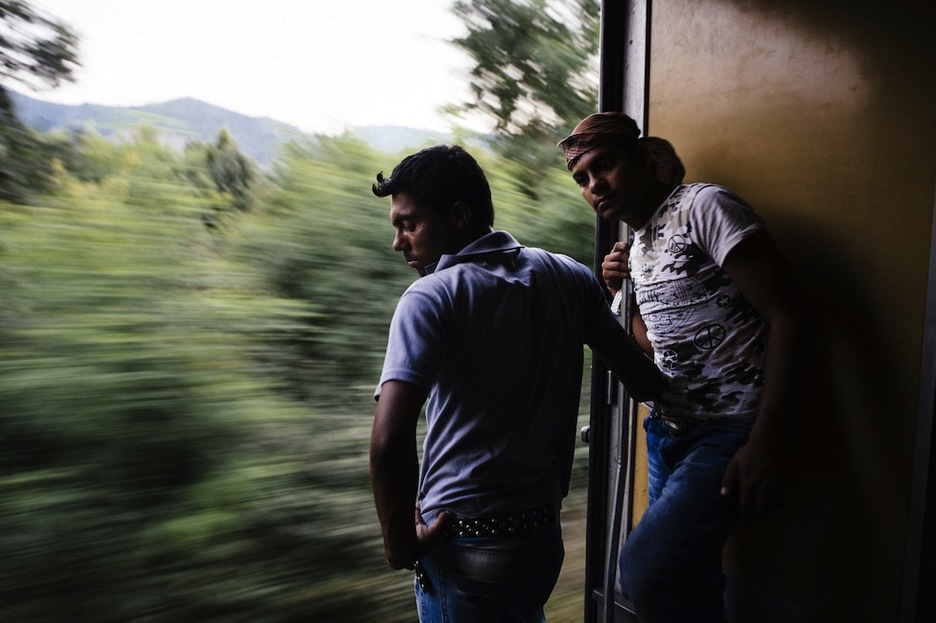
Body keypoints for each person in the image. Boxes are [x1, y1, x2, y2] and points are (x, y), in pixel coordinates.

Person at [369, 144, 664, 623]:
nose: (399, 242)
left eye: (409, 224)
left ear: (459, 215)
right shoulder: (568, 275)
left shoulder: (428, 298)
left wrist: (399, 542)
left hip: (462, 542)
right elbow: (644, 379)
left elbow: (388, 440)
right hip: (540, 543)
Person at [558, 112, 808, 623]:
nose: (594, 185)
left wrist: (765, 444)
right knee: (691, 579)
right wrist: (617, 294)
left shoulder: (703, 206)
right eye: (581, 178)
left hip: (729, 428)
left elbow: (789, 314)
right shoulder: (638, 246)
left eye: (604, 165)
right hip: (669, 430)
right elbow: (654, 345)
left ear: (645, 158)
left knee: (643, 569)